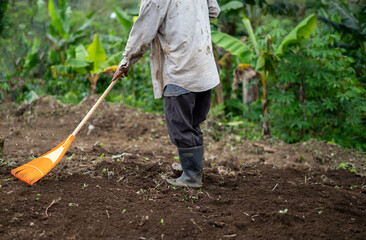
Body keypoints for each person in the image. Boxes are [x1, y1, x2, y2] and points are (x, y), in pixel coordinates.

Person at [112, 0, 220, 188]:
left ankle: (191, 176)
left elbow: (143, 31)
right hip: (203, 65)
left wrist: (126, 61)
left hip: (180, 67)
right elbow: (213, 10)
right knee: (193, 121)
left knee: (179, 124)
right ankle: (191, 167)